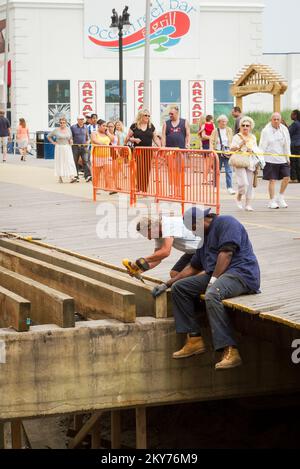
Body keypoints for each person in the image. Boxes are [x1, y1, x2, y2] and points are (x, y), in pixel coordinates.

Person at [152, 207, 260, 370]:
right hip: (217, 276)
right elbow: (193, 267)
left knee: (212, 294)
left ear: (202, 220)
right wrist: (168, 283)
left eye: (194, 228)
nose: (194, 233)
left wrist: (213, 281)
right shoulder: (203, 238)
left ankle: (231, 350)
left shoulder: (227, 222)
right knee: (180, 288)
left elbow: (226, 254)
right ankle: (194, 339)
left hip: (241, 274)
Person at [128, 214, 202, 279]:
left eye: (148, 235)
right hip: (192, 251)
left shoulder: (168, 225)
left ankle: (206, 277)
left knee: (184, 276)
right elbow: (157, 258)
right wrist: (139, 270)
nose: (149, 238)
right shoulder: (158, 234)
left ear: (152, 227)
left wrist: (141, 260)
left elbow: (165, 252)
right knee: (174, 274)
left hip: (204, 249)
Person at [260, 112, 291, 209]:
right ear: (271, 120)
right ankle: (271, 201)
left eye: (278, 119)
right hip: (270, 159)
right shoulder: (266, 131)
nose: (276, 121)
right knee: (272, 180)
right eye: (274, 119)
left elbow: (287, 143)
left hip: (282, 158)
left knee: (287, 177)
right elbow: (262, 145)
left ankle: (280, 197)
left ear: (281, 120)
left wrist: (288, 157)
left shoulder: (284, 129)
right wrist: (261, 160)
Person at [125, 109, 161, 192]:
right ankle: (139, 188)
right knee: (140, 169)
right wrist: (133, 139)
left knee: (147, 169)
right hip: (138, 151)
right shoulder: (134, 126)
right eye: (145, 115)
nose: (147, 117)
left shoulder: (151, 126)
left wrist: (160, 147)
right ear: (141, 116)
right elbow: (127, 138)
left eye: (148, 116)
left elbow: (155, 138)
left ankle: (144, 189)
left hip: (148, 151)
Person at [230, 116, 260, 211]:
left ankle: (248, 204)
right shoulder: (236, 136)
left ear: (251, 127)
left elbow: (256, 149)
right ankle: (239, 196)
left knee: (250, 184)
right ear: (240, 126)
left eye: (247, 125)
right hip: (239, 161)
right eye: (243, 125)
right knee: (243, 183)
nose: (245, 127)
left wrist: (252, 150)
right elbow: (231, 149)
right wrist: (240, 144)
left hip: (250, 161)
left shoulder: (253, 137)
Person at [47, 117, 77, 183]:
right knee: (60, 162)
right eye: (61, 123)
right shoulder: (56, 130)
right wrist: (53, 142)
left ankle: (72, 177)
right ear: (59, 123)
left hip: (67, 147)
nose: (62, 124)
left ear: (66, 123)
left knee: (69, 161)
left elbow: (70, 137)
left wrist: (71, 141)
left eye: (63, 123)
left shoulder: (68, 130)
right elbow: (48, 136)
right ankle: (60, 177)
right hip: (59, 148)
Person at [210, 115, 235, 195]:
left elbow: (231, 140)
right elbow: (211, 141)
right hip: (218, 152)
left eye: (225, 121)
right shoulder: (215, 131)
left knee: (229, 171)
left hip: (227, 153)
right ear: (219, 122)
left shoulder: (229, 130)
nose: (224, 123)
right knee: (217, 170)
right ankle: (215, 187)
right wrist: (212, 151)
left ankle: (230, 187)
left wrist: (232, 150)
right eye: (222, 121)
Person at [90, 119, 113, 190]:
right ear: (99, 126)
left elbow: (112, 139)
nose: (105, 127)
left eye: (106, 126)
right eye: (103, 126)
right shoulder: (94, 133)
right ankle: (95, 188)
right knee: (97, 174)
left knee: (108, 172)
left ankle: (109, 187)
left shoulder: (106, 133)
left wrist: (107, 132)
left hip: (107, 156)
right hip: (97, 156)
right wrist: (101, 144)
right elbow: (94, 140)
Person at [71, 115, 91, 183]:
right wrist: (71, 142)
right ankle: (75, 176)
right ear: (77, 120)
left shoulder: (86, 127)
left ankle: (87, 176)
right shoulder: (73, 127)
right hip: (75, 147)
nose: (81, 120)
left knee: (85, 161)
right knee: (75, 161)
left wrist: (87, 142)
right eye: (80, 119)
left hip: (84, 147)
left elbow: (87, 137)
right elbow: (71, 137)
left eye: (82, 119)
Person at [289, 109, 300, 183]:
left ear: (295, 115)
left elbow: (288, 133)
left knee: (293, 162)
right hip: (298, 145)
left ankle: (294, 178)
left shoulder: (295, 124)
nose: (291, 116)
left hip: (294, 145)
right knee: (298, 161)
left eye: (292, 114)